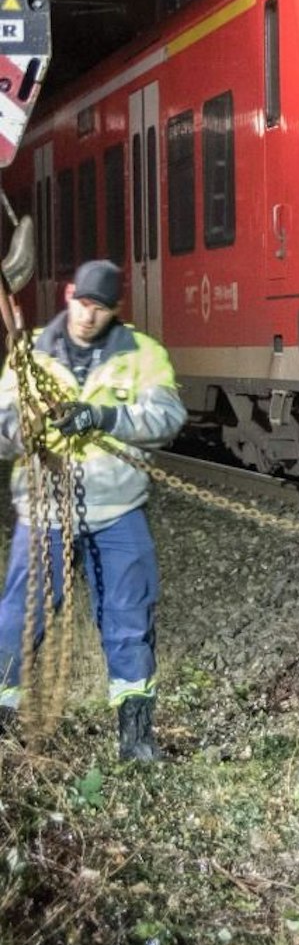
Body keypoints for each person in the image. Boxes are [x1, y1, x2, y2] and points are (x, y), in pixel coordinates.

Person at [0, 258, 185, 761]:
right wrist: (24, 429)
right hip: (44, 512)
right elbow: (1, 430)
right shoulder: (28, 352)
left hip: (117, 510)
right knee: (18, 618)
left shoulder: (144, 355)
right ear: (67, 296)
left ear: (114, 310)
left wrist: (103, 415)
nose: (88, 316)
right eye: (83, 304)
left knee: (130, 617)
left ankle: (136, 736)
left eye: (99, 308)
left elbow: (167, 417)